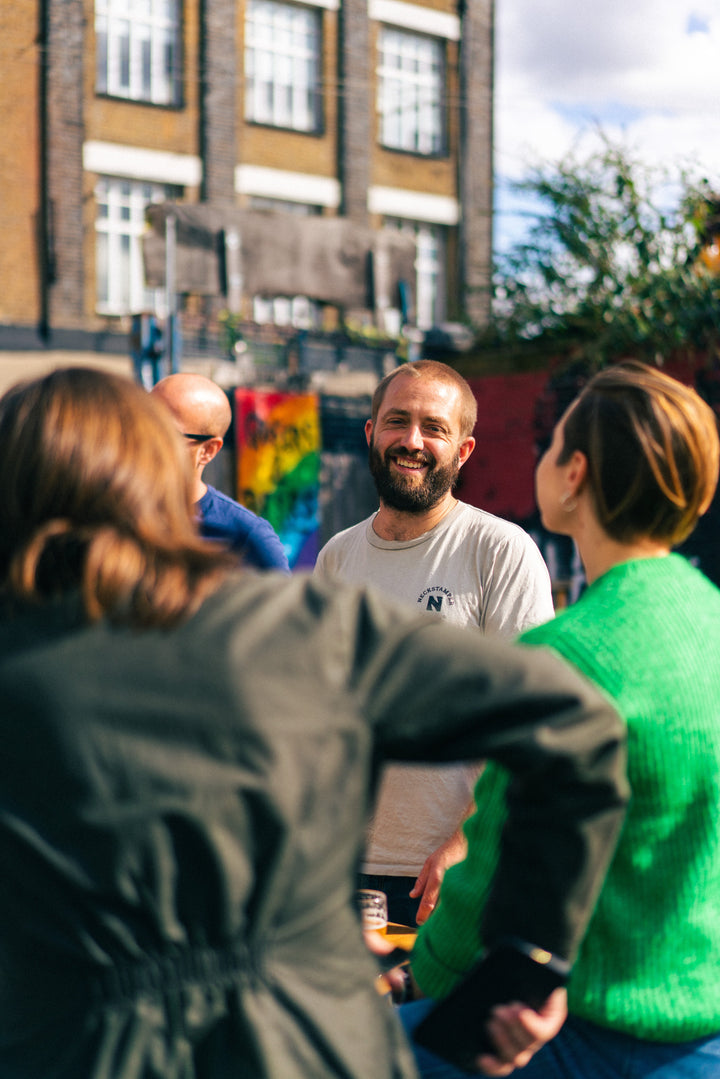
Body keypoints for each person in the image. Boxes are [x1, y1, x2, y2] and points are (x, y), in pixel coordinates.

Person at [0, 366, 629, 1079]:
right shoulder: (296, 621)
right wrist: (531, 962)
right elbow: (571, 723)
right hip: (299, 1036)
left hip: (71, 1043)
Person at [404, 361, 720, 1078]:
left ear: (573, 474)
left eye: (549, 447)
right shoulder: (711, 619)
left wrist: (416, 975)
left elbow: (491, 879)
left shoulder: (567, 653)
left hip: (582, 1034)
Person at [315, 360, 554, 925]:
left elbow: (530, 724)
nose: (412, 441)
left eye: (434, 427)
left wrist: (465, 844)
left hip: (447, 876)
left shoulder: (500, 550)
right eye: (397, 421)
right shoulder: (336, 557)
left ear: (464, 451)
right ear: (371, 433)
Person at [151, 372, 289, 572]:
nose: (143, 435)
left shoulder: (246, 537)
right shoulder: (109, 512)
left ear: (207, 451)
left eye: (163, 430)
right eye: (141, 421)